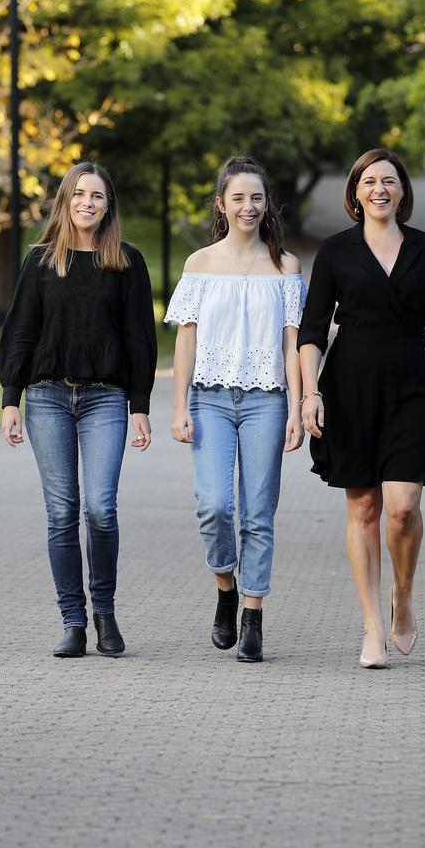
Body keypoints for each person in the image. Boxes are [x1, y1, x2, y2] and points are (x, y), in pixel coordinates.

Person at [298, 147, 425, 669]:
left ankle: (403, 594)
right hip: (350, 386)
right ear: (355, 193)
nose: (379, 190)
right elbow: (311, 330)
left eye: (389, 181)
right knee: (364, 506)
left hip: (412, 383)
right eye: (369, 181)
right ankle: (371, 624)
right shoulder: (336, 251)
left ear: (402, 192)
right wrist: (310, 393)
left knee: (403, 507)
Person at [0, 161, 157, 658]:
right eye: (79, 194)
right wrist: (10, 399)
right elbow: (20, 331)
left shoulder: (126, 262)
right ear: (66, 201)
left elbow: (140, 339)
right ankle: (73, 621)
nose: (88, 203)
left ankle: (104, 612)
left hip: (105, 399)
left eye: (98, 196)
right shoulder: (42, 260)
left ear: (109, 206)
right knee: (62, 513)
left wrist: (140, 405)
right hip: (46, 398)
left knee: (100, 509)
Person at [165, 156, 304, 663]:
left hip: (268, 400)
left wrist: (295, 407)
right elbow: (185, 341)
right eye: (239, 198)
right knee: (214, 507)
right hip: (210, 399)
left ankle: (253, 616)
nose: (249, 206)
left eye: (257, 198)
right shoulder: (199, 264)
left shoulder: (285, 266)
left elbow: (294, 343)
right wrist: (178, 406)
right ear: (221, 204)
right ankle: (225, 585)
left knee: (258, 513)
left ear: (267, 206)